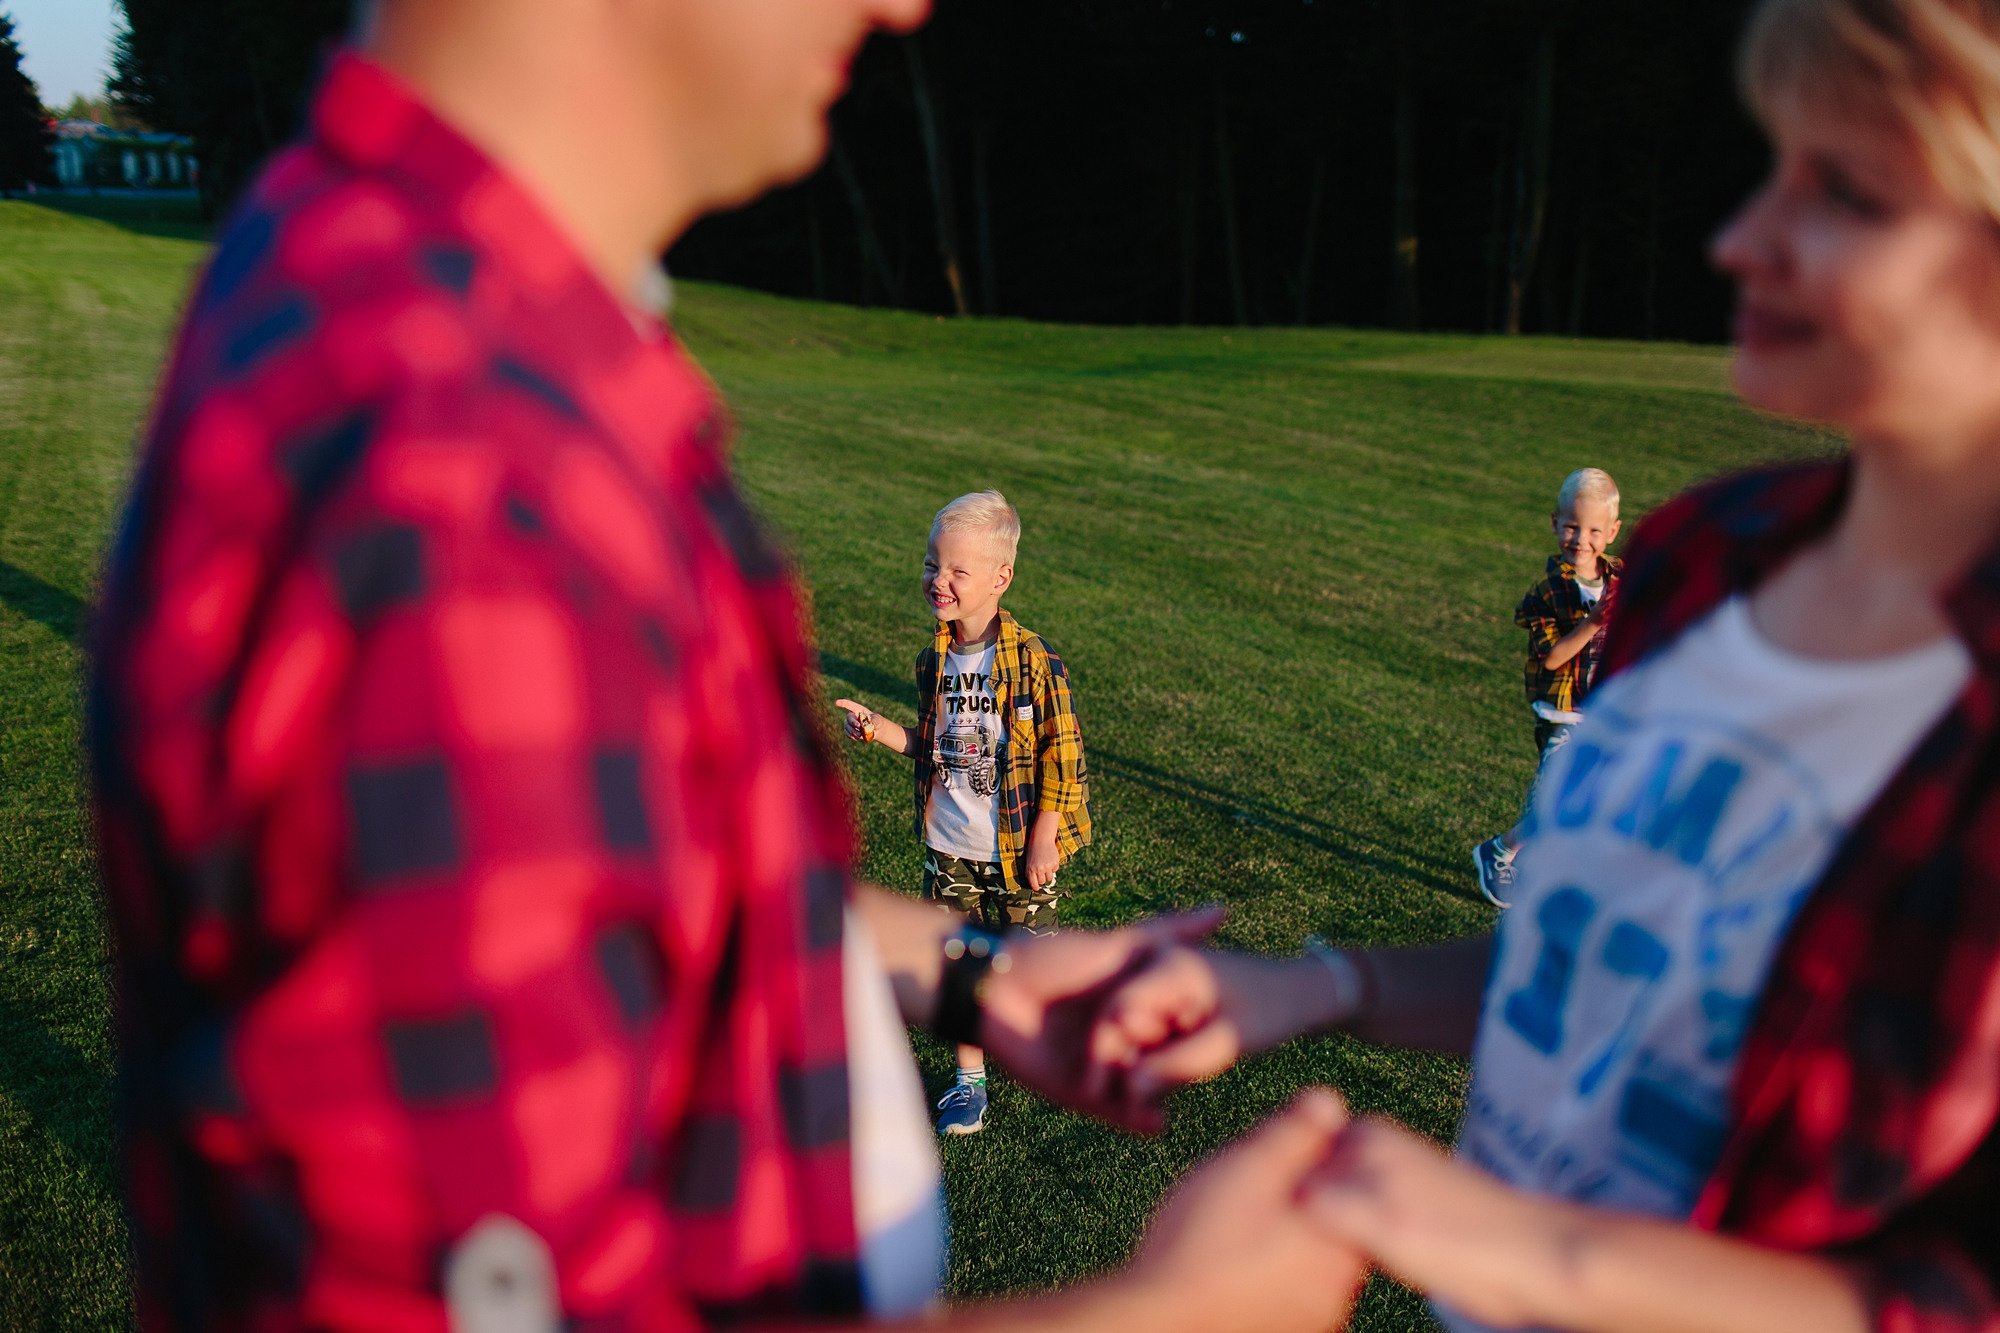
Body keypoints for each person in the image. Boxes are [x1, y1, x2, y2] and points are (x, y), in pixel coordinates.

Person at [84, 0, 1369, 1329]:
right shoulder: (458, 479)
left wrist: (964, 966)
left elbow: (631, 886)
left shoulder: (460, 318)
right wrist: (1187, 1310)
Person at [1091, 0, 2000, 1328]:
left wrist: (1531, 1251)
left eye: (1847, 194)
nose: (1741, 240)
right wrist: (1316, 987)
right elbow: (1591, 967)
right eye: (1776, 168)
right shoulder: (1707, 552)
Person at [834, 490, 1090, 1136]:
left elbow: (1063, 752)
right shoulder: (934, 661)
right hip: (950, 845)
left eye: (955, 570)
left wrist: (1044, 837)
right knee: (959, 965)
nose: (937, 580)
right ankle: (969, 1082)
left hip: (1015, 847)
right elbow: (934, 745)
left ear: (1001, 578)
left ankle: (1059, 1038)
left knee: (1028, 963)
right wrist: (881, 731)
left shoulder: (1033, 661)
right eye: (930, 564)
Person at [1471, 469, 1624, 908]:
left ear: (1612, 532)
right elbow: (1553, 657)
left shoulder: (1619, 578)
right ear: (1555, 523)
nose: (1582, 539)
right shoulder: (1547, 591)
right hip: (1563, 713)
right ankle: (1499, 852)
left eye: (1595, 530)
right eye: (1573, 526)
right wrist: (1594, 621)